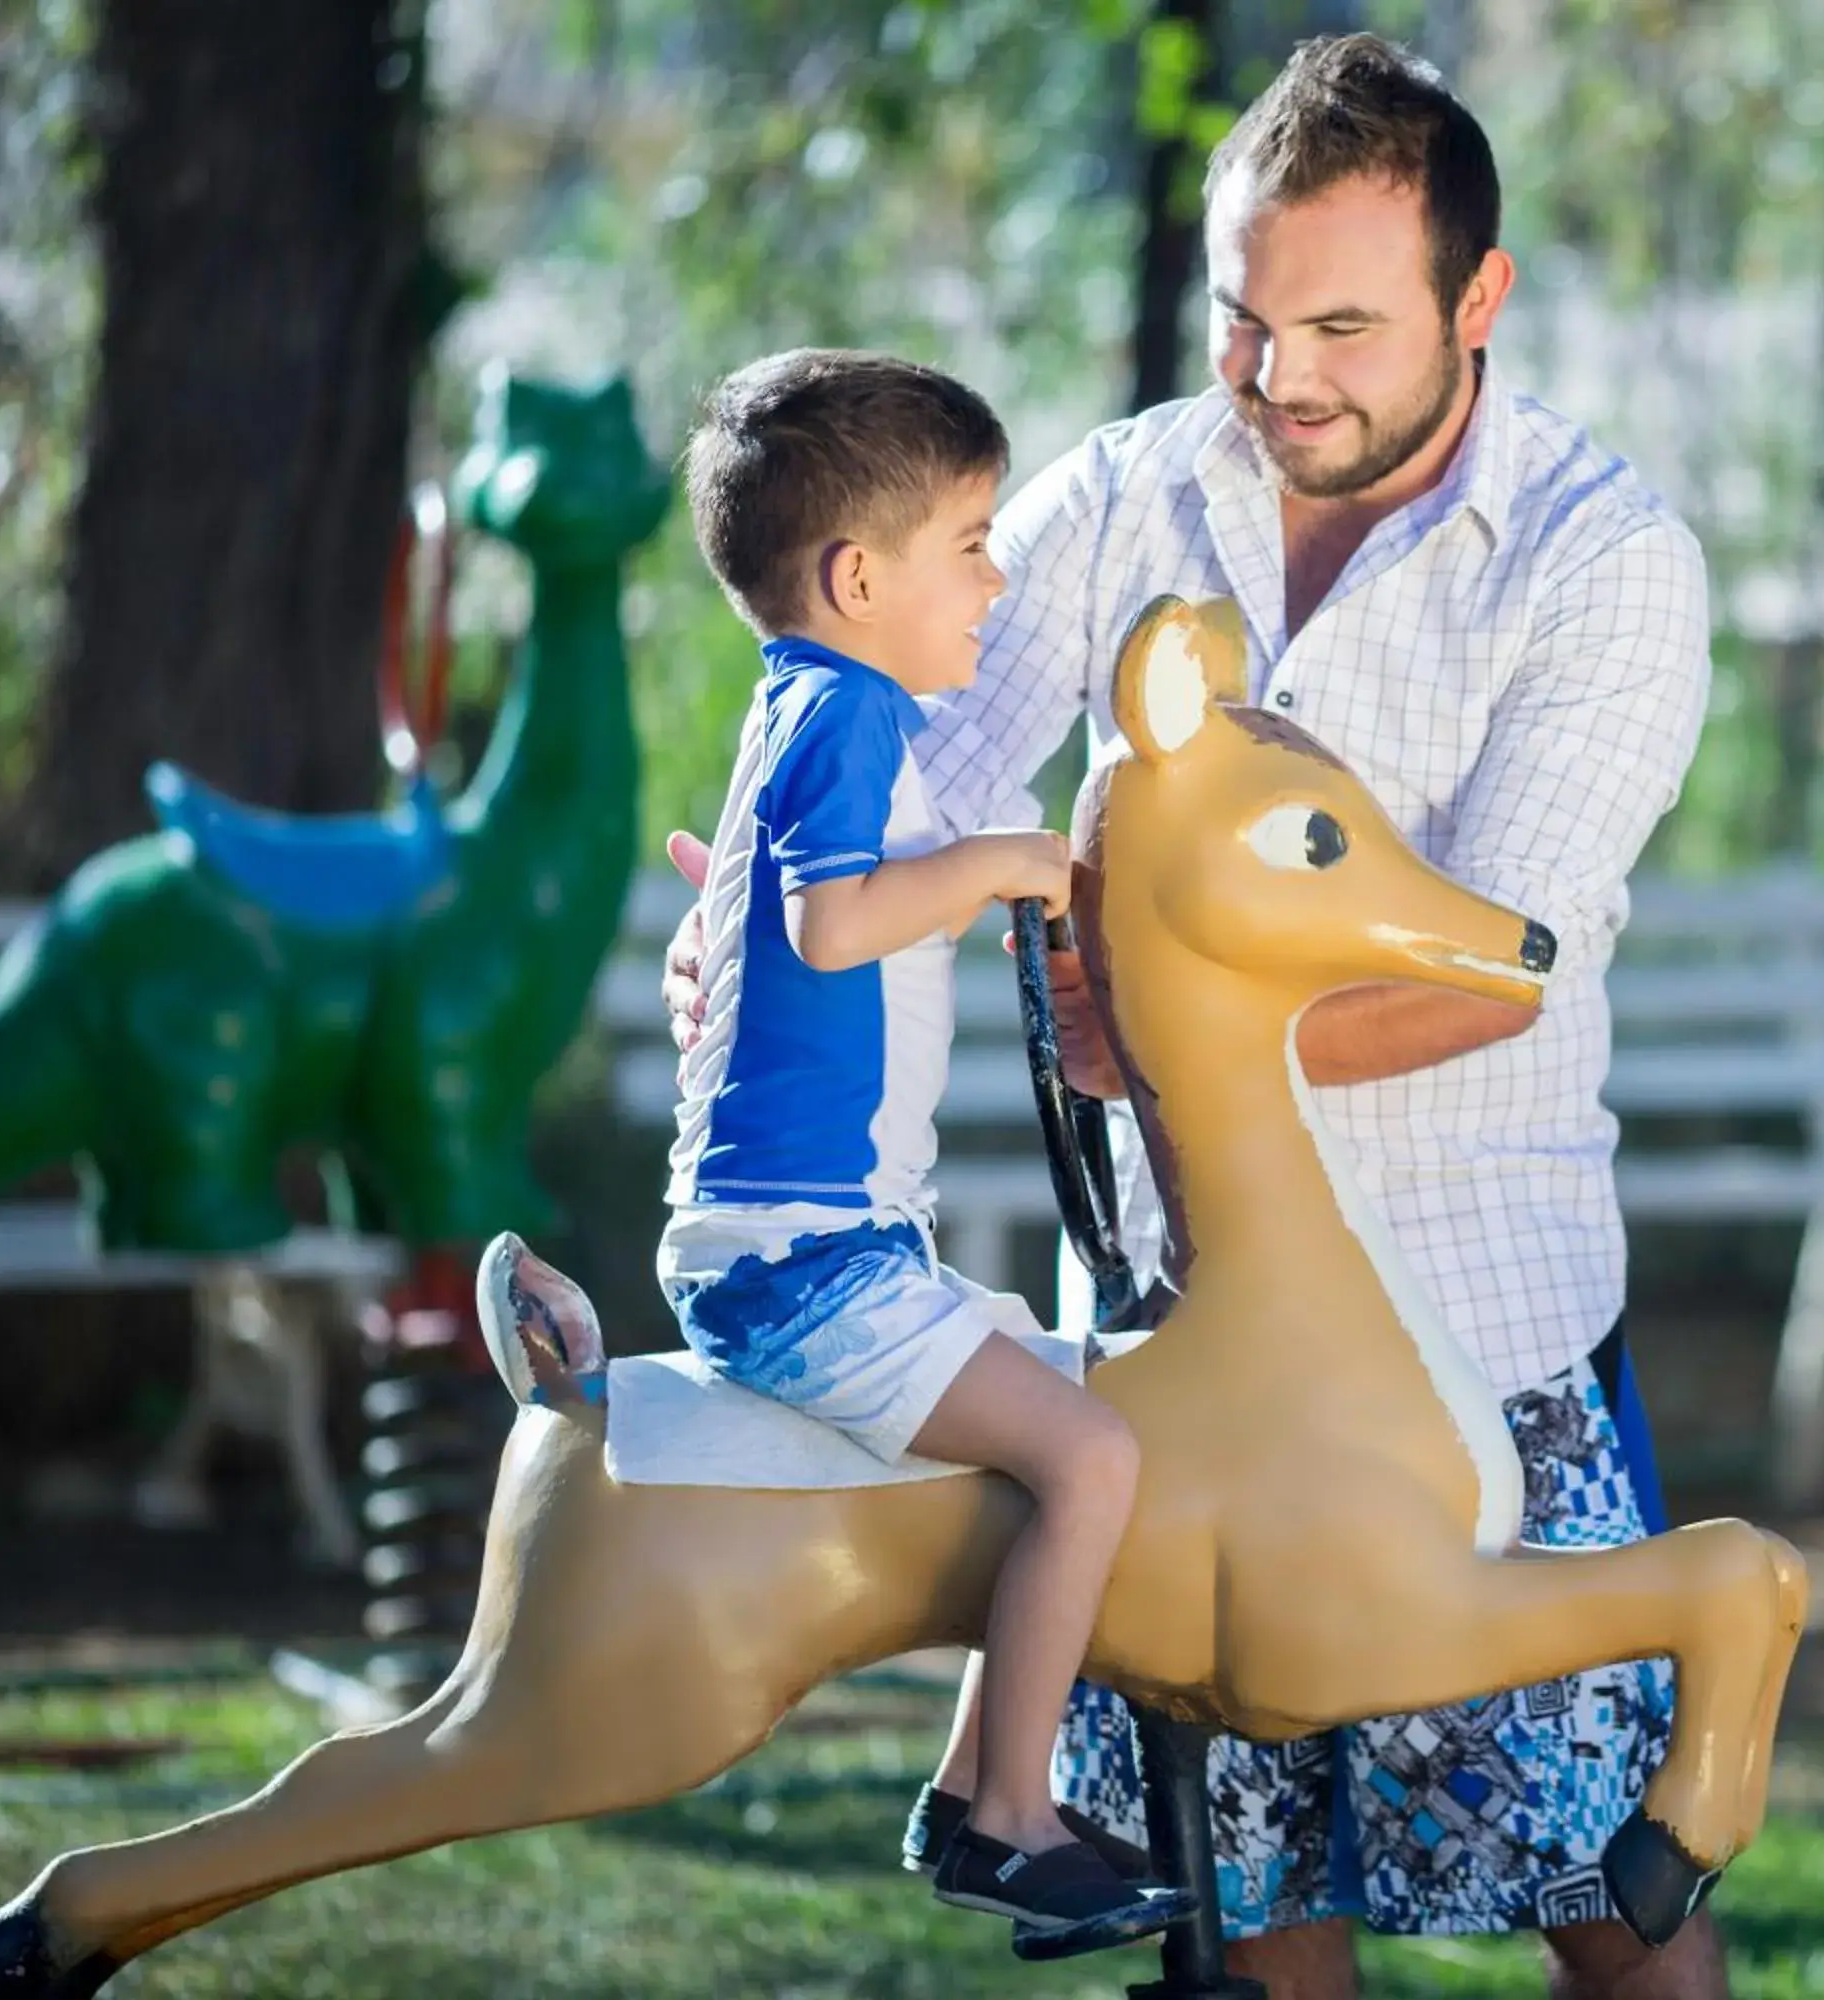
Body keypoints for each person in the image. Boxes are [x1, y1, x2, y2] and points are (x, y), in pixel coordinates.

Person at [665, 37, 1726, 2000]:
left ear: (1476, 301)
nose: (1279, 373)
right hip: (1161, 1334)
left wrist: (1162, 1049)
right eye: (1248, 316)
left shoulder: (1606, 561)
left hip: (1474, 1332)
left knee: (1607, 1895)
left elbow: (1504, 959)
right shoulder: (1134, 488)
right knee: (1244, 1922)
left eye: (1341, 322)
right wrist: (760, 940)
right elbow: (926, 792)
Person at [659, 348, 1195, 1955]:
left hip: (823, 1245)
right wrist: (1009, 861)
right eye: (969, 543)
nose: (999, 571)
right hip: (801, 1260)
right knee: (1094, 1458)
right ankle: (1014, 1820)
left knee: (1076, 1409)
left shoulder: (816, 709)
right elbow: (832, 924)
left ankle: (977, 1793)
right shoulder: (843, 715)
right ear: (856, 575)